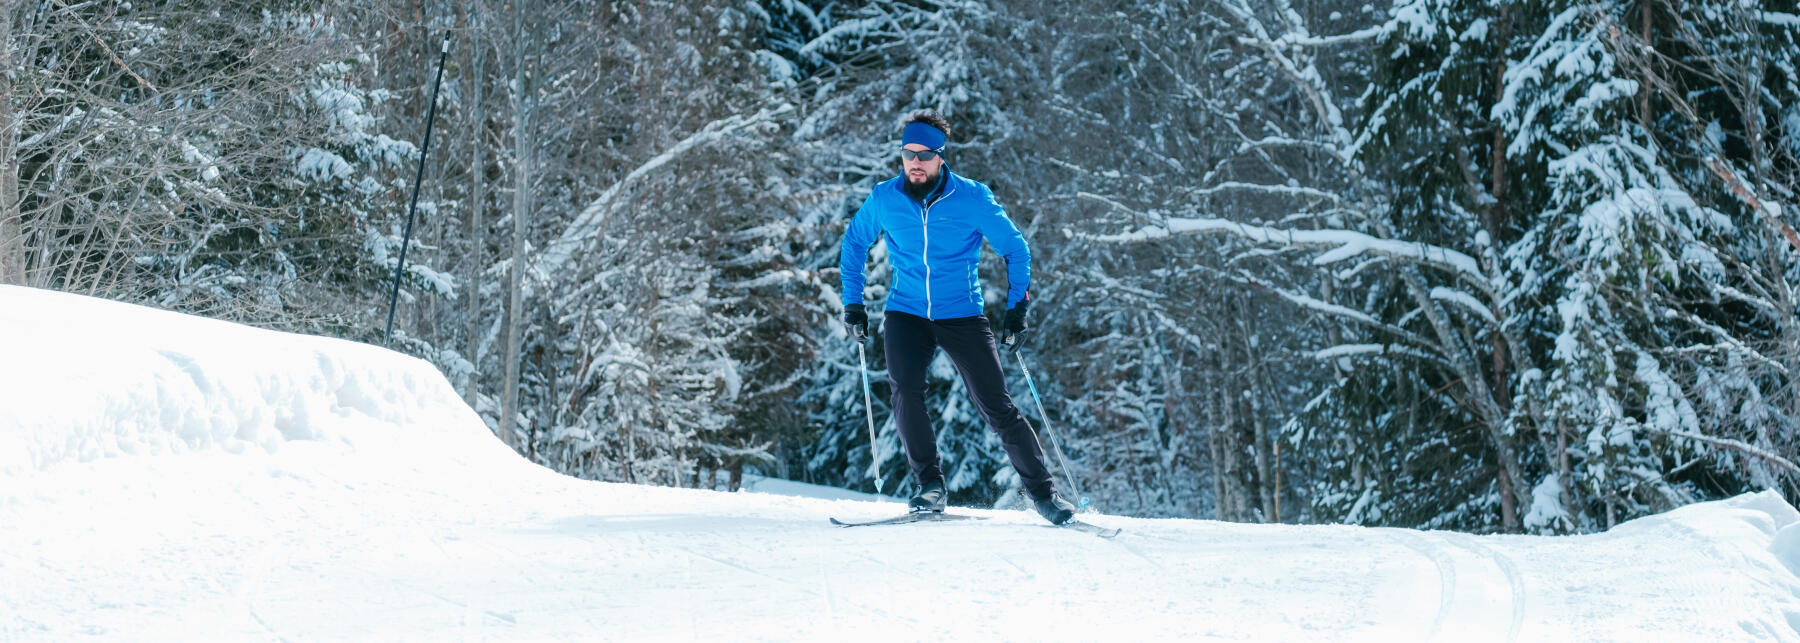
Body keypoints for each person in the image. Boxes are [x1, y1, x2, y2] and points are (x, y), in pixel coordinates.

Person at [838, 110, 1077, 525]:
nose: (915, 162)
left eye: (925, 155)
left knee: (996, 406)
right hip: (905, 312)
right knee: (905, 390)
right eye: (908, 154)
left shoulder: (972, 198)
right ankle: (930, 487)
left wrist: (1018, 309)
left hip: (962, 314)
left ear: (941, 157)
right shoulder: (885, 198)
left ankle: (1044, 494)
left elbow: (1015, 249)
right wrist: (853, 303)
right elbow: (855, 243)